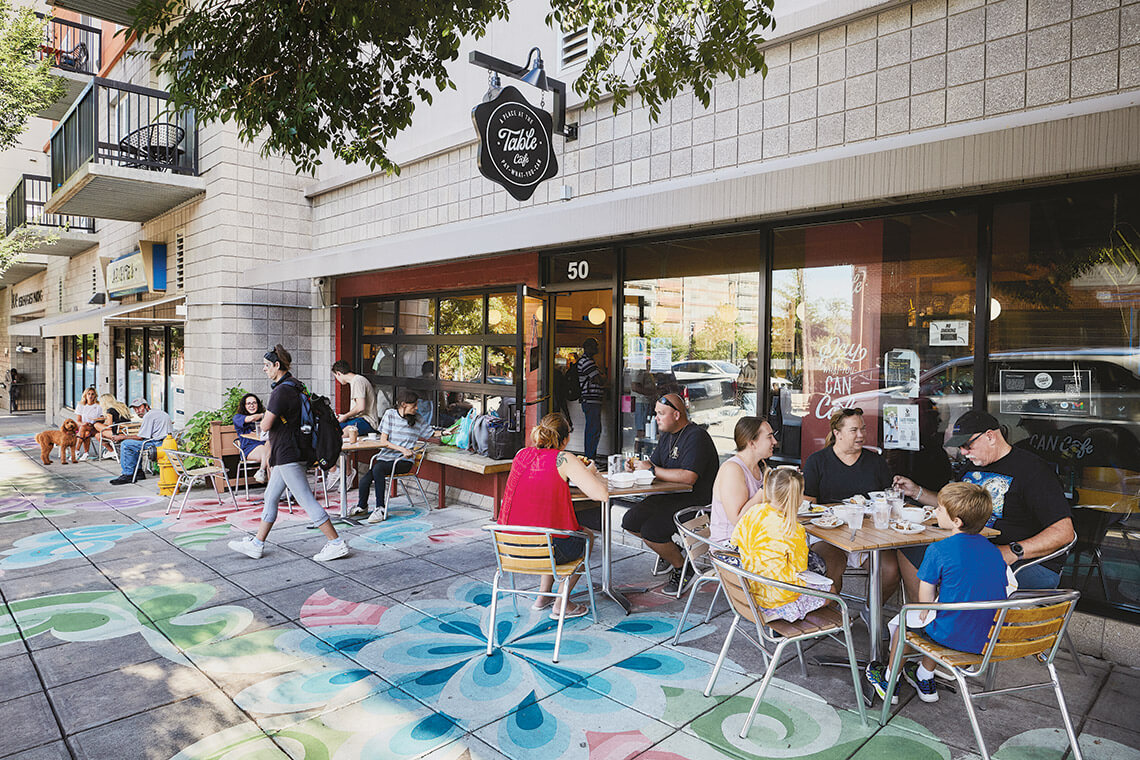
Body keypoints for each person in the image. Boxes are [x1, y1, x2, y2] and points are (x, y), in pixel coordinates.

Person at [893, 409, 1076, 594]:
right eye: (960, 447)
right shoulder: (971, 466)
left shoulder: (1033, 471)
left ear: (990, 436)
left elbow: (1064, 532)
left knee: (950, 566)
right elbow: (952, 506)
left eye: (967, 445)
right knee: (910, 551)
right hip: (975, 549)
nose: (963, 452)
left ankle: (946, 612)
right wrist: (916, 492)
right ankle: (925, 611)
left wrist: (1011, 551)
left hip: (1025, 563)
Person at [865, 482, 1010, 705]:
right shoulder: (994, 552)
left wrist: (924, 611)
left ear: (957, 521)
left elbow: (926, 592)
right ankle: (925, 676)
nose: (935, 512)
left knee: (907, 622)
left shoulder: (939, 549)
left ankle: (889, 682)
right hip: (987, 636)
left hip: (951, 634)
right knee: (940, 618)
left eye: (940, 509)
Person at [229, 345, 349, 562]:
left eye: (267, 365)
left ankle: (336, 542)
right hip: (295, 449)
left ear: (277, 365)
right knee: (270, 496)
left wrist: (264, 419)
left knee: (305, 498)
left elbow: (265, 425)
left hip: (287, 452)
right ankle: (257, 544)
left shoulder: (281, 391)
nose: (264, 369)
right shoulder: (297, 385)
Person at [497, 413, 610, 618]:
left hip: (509, 549)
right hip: (545, 549)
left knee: (547, 532)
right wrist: (590, 472)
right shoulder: (564, 459)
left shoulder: (521, 454)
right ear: (566, 439)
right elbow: (601, 494)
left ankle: (543, 596)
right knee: (586, 537)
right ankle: (561, 603)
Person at [623, 393, 720, 594]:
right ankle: (672, 552)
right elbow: (654, 464)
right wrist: (637, 466)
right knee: (630, 521)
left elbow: (688, 477)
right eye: (656, 413)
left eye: (661, 413)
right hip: (668, 496)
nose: (656, 418)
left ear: (677, 415)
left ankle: (683, 568)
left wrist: (652, 470)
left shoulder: (696, 437)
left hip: (695, 502)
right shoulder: (667, 435)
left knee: (652, 531)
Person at [802, 407, 900, 598]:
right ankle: (834, 613)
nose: (861, 435)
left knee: (889, 571)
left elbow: (886, 501)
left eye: (863, 429)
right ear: (837, 433)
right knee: (829, 568)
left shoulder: (876, 462)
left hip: (870, 534)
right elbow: (808, 508)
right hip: (829, 535)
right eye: (854, 430)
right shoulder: (817, 462)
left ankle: (870, 609)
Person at [730, 468, 832, 622]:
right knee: (831, 591)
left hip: (751, 590)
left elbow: (735, 541)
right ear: (797, 497)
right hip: (779, 599)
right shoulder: (793, 529)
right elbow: (800, 568)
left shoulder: (753, 512)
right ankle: (797, 622)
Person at [356, 389, 439, 522]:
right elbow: (383, 442)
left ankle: (380, 508)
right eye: (414, 405)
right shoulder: (390, 414)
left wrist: (447, 432)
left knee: (378, 469)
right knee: (365, 480)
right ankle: (362, 507)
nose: (417, 408)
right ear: (403, 404)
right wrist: (402, 449)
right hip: (386, 458)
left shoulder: (417, 419)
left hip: (404, 462)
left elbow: (431, 433)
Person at [709, 417, 777, 545]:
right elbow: (737, 521)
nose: (775, 441)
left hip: (756, 540)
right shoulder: (732, 469)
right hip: (730, 546)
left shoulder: (760, 466)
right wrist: (764, 490)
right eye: (769, 437)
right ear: (752, 443)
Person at [108, 398, 173, 484]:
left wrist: (122, 437)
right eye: (135, 409)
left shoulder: (149, 416)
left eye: (139, 407)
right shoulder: (157, 412)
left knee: (126, 444)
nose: (137, 411)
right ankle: (138, 472)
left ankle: (128, 474)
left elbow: (140, 437)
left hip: (158, 444)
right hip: (167, 442)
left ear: (146, 406)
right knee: (133, 444)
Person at [577, 338, 605, 462]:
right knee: (593, 429)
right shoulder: (587, 362)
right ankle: (590, 458)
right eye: (594, 346)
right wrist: (602, 376)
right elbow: (599, 380)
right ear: (588, 347)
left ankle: (590, 456)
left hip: (590, 400)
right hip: (591, 400)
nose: (597, 348)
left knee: (593, 429)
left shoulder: (587, 361)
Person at [332, 360, 379, 435]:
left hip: (367, 421)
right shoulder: (355, 381)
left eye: (336, 377)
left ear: (338, 373)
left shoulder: (358, 381)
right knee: (333, 427)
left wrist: (345, 416)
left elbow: (360, 407)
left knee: (342, 433)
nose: (337, 380)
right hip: (358, 419)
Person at [233, 392, 270, 484]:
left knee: (271, 456)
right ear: (244, 406)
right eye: (248, 403)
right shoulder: (238, 417)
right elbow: (251, 419)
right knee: (268, 454)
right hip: (249, 449)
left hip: (266, 446)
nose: (252, 406)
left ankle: (262, 472)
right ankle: (274, 486)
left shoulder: (264, 419)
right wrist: (264, 415)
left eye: (254, 403)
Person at [94, 393, 131, 459]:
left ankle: (112, 451)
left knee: (97, 428)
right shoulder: (122, 406)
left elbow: (109, 426)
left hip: (117, 434)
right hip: (126, 431)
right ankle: (113, 450)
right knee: (99, 433)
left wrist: (100, 424)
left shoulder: (110, 410)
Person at [73, 387, 103, 461]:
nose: (90, 396)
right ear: (85, 395)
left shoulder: (98, 406)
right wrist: (84, 424)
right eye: (88, 394)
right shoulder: (81, 405)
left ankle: (76, 451)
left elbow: (102, 420)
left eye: (92, 394)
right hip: (82, 428)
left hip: (93, 427)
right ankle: (86, 453)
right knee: (85, 432)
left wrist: (96, 421)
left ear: (95, 396)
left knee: (85, 430)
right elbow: (78, 421)